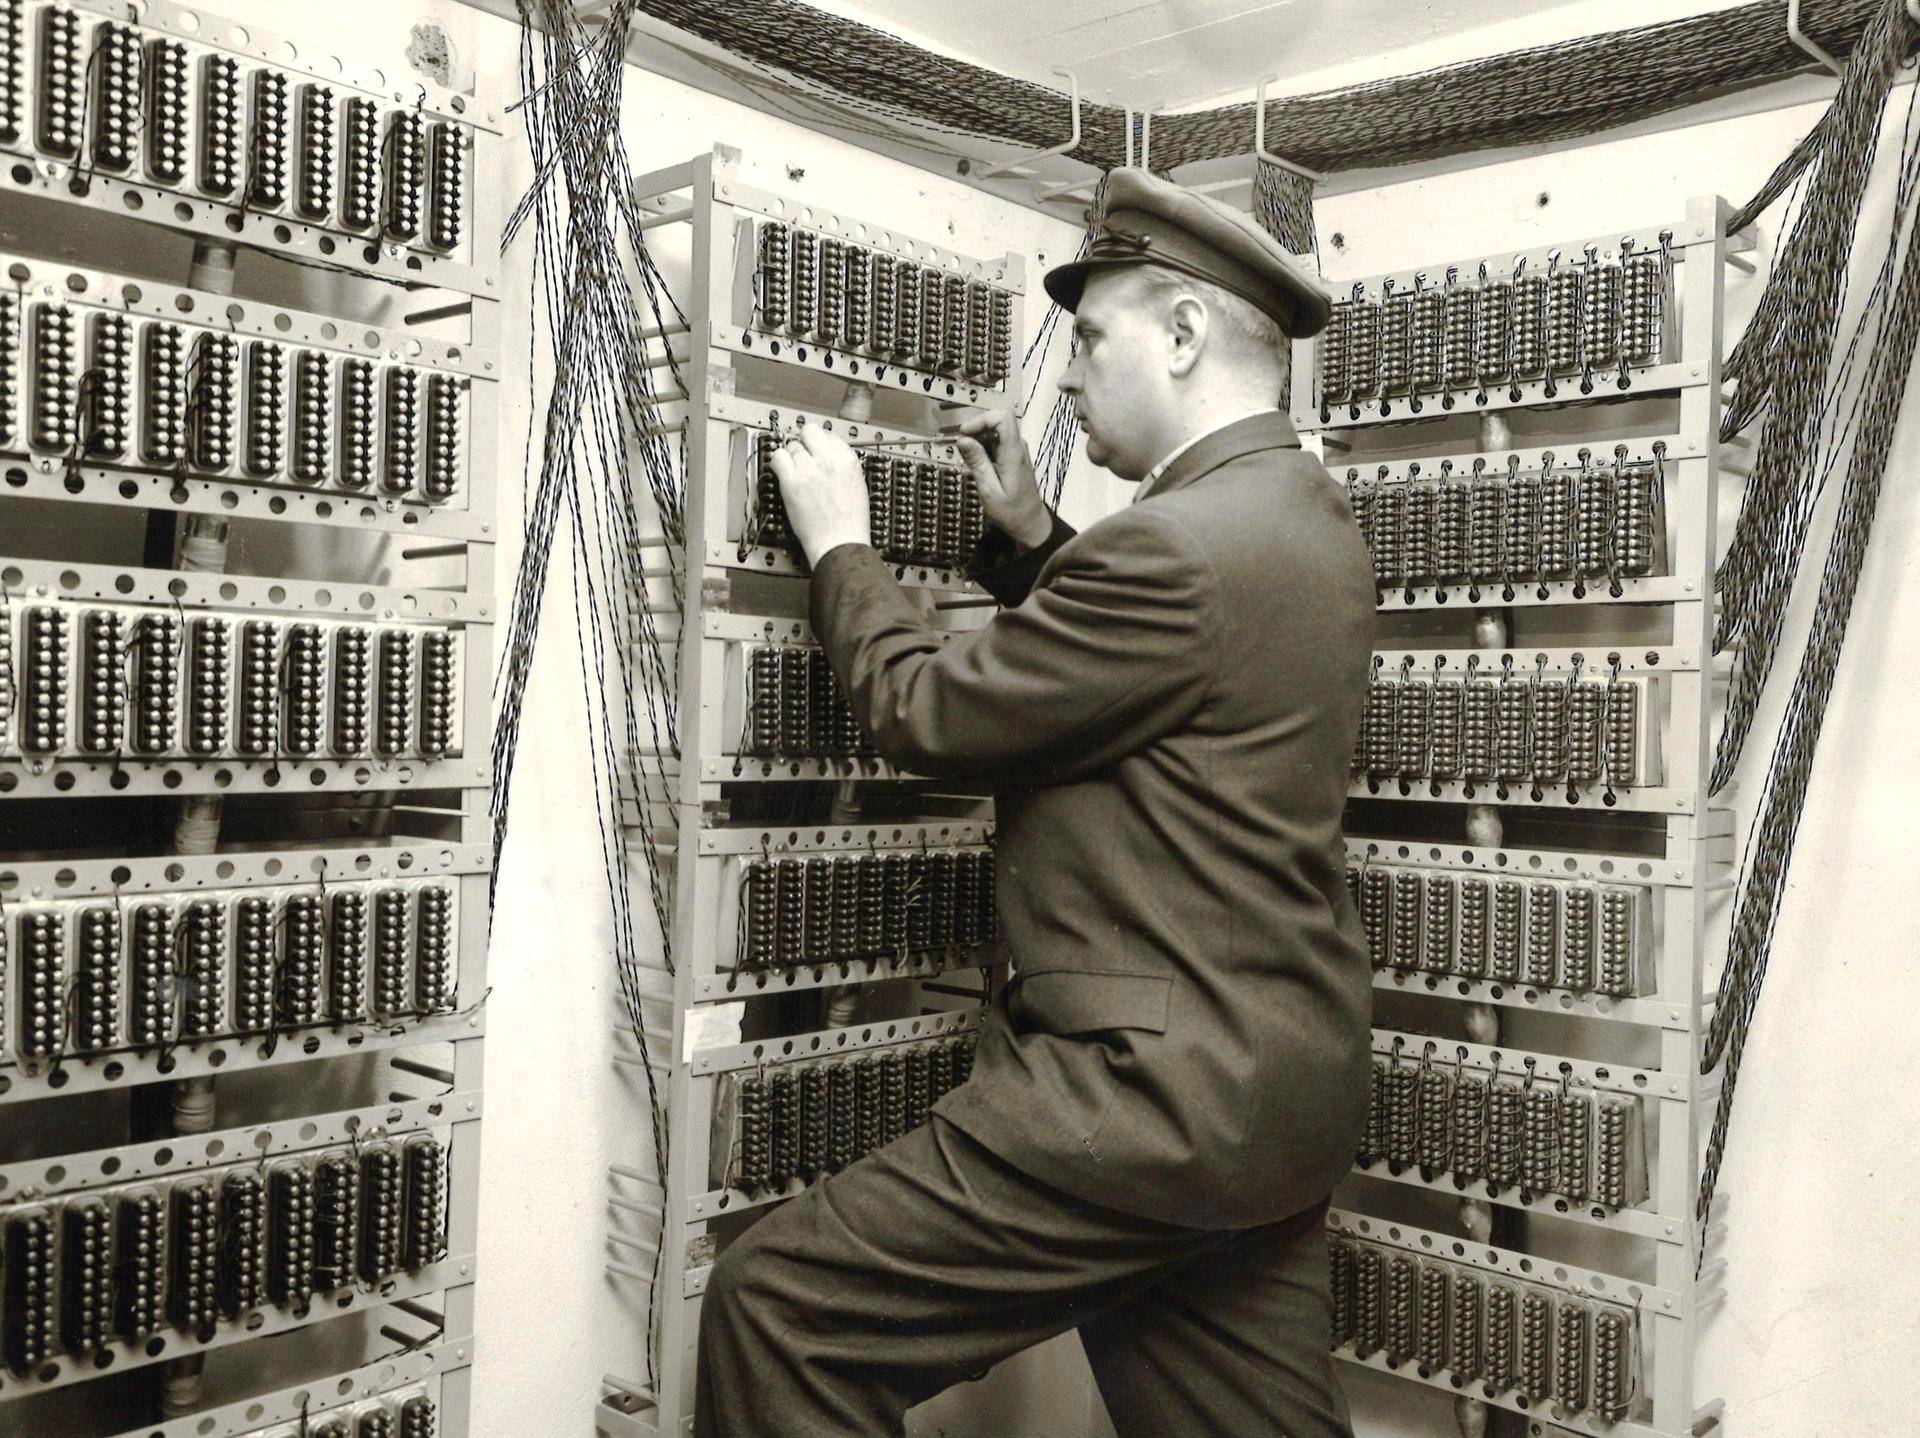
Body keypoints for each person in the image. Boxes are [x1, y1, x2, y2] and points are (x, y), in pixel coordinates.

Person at [694, 167, 1377, 1438]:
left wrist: (840, 542)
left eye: (1094, 334)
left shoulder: (1167, 546)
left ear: (1181, 334)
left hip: (1143, 1105)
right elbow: (1189, 667)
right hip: (1274, 1104)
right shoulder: (1304, 519)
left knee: (777, 1310)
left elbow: (931, 716)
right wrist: (1030, 536)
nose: (1066, 376)